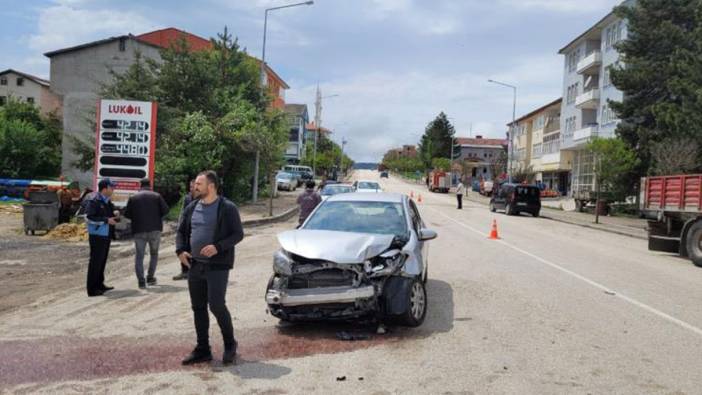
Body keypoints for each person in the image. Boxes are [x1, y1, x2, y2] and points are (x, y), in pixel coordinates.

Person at [176, 171, 244, 365]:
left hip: (218, 266)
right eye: (195, 184)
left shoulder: (227, 208)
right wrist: (180, 251)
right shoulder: (191, 207)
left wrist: (218, 247)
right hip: (195, 265)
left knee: (216, 305)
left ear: (211, 186)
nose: (195, 187)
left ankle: (230, 344)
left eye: (199, 184)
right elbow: (181, 231)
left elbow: (238, 234)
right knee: (198, 307)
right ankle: (203, 349)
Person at [124, 178, 169, 289]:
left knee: (139, 256)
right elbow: (166, 210)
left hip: (139, 230)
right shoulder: (157, 196)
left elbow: (127, 214)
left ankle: (141, 281)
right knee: (154, 254)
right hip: (155, 230)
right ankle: (150, 277)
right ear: (150, 185)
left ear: (140, 186)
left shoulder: (133, 198)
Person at [85, 178, 119, 297]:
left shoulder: (107, 201)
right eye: (112, 187)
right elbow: (89, 217)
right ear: (105, 188)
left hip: (106, 235)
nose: (113, 189)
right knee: (95, 262)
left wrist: (114, 214)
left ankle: (100, 284)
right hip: (97, 235)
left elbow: (108, 215)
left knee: (102, 261)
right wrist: (106, 220)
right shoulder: (94, 200)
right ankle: (92, 289)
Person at [174, 180, 196, 281]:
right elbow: (183, 212)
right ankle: (184, 271)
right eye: (190, 187)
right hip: (187, 227)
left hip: (197, 227)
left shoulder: (204, 198)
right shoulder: (187, 198)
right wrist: (180, 224)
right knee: (183, 248)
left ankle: (193, 271)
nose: (192, 189)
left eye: (193, 187)